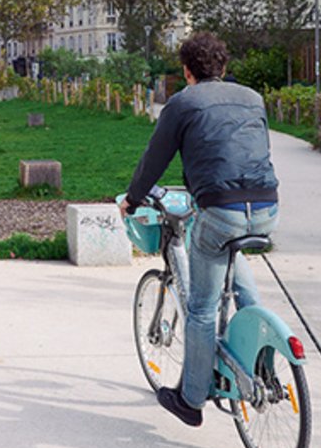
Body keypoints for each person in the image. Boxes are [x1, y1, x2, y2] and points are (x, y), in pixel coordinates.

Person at [120, 32, 279, 427]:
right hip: (265, 206)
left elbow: (154, 159)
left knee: (202, 308)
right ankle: (263, 361)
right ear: (224, 68)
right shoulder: (253, 98)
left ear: (187, 71)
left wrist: (133, 199)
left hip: (221, 210)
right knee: (236, 267)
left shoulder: (183, 102)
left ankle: (190, 400)